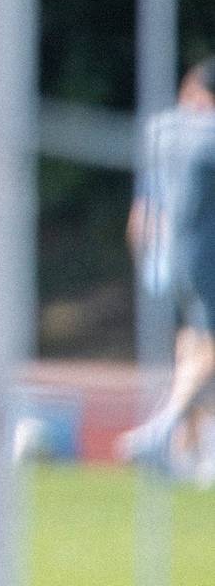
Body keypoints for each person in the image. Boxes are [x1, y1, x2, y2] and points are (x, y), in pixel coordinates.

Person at [122, 58, 215, 478]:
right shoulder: (205, 136)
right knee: (206, 348)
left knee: (193, 344)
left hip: (172, 258)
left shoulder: (164, 132)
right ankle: (162, 431)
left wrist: (147, 258)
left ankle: (186, 449)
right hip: (204, 255)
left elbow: (143, 212)